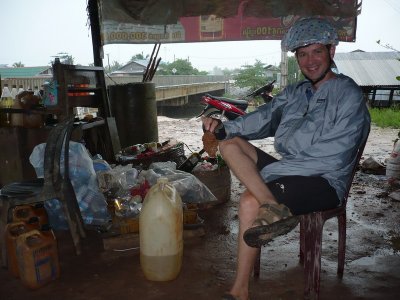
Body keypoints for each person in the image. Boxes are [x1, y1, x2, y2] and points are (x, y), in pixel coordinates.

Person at [201, 17, 370, 300]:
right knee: (230, 143)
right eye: (302, 54)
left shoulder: (348, 95)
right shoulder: (295, 93)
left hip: (324, 180)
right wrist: (224, 127)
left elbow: (332, 156)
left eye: (316, 51)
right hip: (290, 171)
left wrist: (272, 174)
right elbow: (262, 118)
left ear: (331, 52)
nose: (310, 60)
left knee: (248, 200)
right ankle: (271, 205)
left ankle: (239, 290)